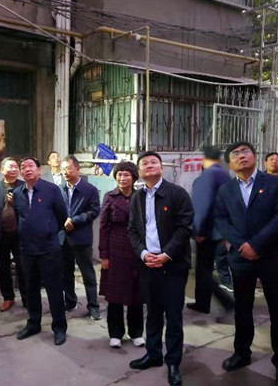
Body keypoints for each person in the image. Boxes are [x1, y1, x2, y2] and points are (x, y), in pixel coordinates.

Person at [215, 141, 278, 386]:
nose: (241, 156)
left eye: (245, 151)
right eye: (235, 154)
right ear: (230, 164)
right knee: (242, 309)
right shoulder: (225, 190)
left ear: (254, 156)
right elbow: (222, 220)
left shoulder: (275, 183)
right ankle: (241, 352)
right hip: (241, 259)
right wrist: (242, 246)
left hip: (272, 257)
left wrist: (256, 245)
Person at [128, 151, 193, 386]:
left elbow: (185, 227)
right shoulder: (136, 197)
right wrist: (143, 254)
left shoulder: (177, 193)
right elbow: (132, 230)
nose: (149, 165)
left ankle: (173, 362)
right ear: (139, 171)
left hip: (173, 265)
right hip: (148, 264)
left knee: (173, 316)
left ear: (161, 167)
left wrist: (166, 255)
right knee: (153, 312)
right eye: (144, 163)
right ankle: (153, 354)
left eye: (153, 162)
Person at [13, 157, 68, 345]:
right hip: (27, 250)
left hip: (49, 250)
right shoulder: (17, 193)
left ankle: (59, 327)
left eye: (30, 166)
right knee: (31, 289)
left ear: (38, 170)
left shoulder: (51, 190)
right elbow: (19, 218)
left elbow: (62, 216)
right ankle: (33, 323)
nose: (27, 169)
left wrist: (48, 232)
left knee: (54, 290)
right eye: (23, 167)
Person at [99, 161, 144, 348]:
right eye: (119, 174)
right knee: (115, 295)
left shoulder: (140, 197)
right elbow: (103, 227)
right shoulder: (110, 197)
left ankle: (136, 333)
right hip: (115, 249)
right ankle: (116, 333)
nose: (122, 178)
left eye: (126, 175)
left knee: (136, 295)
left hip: (136, 249)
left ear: (133, 177)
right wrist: (104, 255)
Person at [187, 146, 234, 319]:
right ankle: (202, 303)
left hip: (206, 231)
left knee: (203, 271)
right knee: (204, 268)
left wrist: (198, 230)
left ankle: (227, 303)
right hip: (218, 230)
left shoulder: (208, 175)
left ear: (204, 159)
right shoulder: (225, 175)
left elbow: (202, 204)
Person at [60, 155, 101, 320]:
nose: (65, 172)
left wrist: (75, 221)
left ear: (77, 169)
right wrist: (63, 221)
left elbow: (94, 211)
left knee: (87, 274)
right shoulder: (59, 189)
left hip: (81, 237)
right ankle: (70, 302)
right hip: (63, 238)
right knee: (66, 273)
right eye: (63, 169)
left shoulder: (89, 189)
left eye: (68, 169)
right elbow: (55, 209)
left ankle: (93, 306)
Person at [0, 157, 26, 312]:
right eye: (10, 166)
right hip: (0, 235)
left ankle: (27, 298)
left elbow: (29, 211)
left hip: (20, 235)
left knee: (23, 267)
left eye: (16, 166)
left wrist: (16, 203)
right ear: (2, 170)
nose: (14, 169)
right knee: (4, 268)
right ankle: (8, 298)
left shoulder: (24, 187)